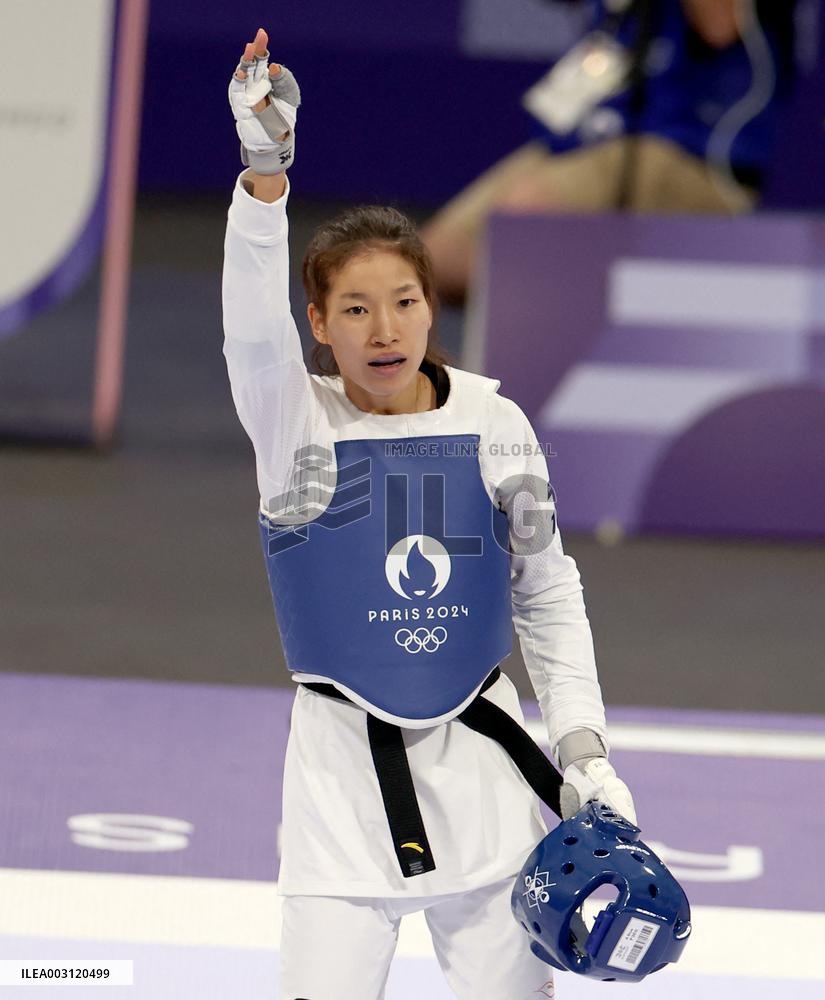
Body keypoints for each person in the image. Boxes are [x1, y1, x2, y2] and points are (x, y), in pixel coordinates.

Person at [224, 28, 635, 1000]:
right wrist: (265, 173)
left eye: (403, 301)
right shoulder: (295, 426)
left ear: (430, 308)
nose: (385, 328)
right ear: (317, 325)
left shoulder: (495, 423)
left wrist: (585, 748)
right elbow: (249, 327)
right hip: (338, 804)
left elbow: (547, 591)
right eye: (355, 309)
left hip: (489, 791)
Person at [422, 0, 797, 303]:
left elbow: (719, 26)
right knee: (427, 264)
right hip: (596, 131)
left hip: (693, 154)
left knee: (522, 223)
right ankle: (583, 312)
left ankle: (582, 331)